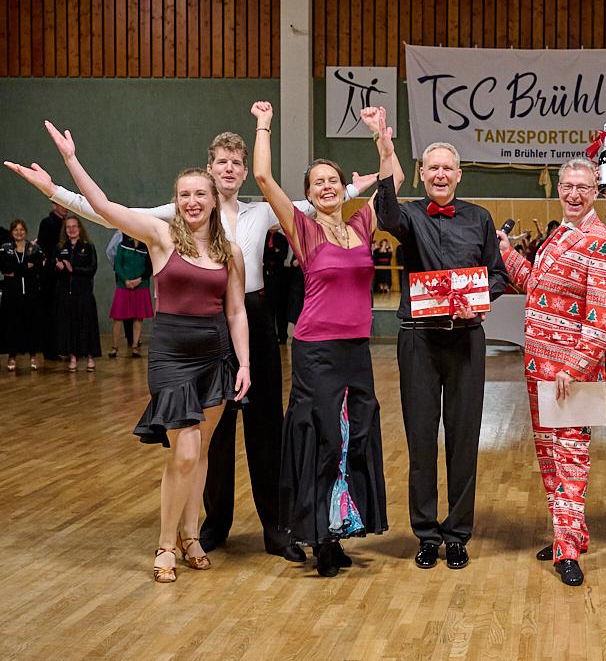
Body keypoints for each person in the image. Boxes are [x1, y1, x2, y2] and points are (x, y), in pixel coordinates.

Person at [10, 129, 376, 562]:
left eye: (236, 163)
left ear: (243, 172)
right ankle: (212, 523)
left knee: (266, 429)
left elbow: (317, 202)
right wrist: (57, 190)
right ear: (209, 167)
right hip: (205, 321)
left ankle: (277, 529)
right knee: (211, 436)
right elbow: (112, 213)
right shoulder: (183, 210)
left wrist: (353, 186)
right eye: (221, 162)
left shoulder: (262, 213)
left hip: (252, 317)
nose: (228, 169)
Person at [8, 121, 252, 583]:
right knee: (182, 453)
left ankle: (191, 534)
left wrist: (244, 363)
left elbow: (236, 312)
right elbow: (103, 207)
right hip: (173, 359)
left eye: (200, 194)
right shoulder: (161, 236)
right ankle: (165, 546)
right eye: (185, 195)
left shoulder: (230, 251)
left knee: (201, 453)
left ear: (213, 197)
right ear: (177, 200)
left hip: (216, 357)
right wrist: (68, 164)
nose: (194, 202)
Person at [250, 101, 392, 576]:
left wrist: (380, 135)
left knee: (355, 437)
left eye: (333, 180)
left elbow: (391, 179)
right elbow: (264, 180)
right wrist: (265, 125)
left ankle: (342, 524)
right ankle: (318, 536)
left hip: (356, 349)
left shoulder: (361, 224)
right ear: (309, 193)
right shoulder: (304, 230)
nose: (327, 187)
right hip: (316, 349)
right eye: (318, 183)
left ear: (342, 186)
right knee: (323, 438)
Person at [374, 139, 509, 571]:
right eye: (432, 167)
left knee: (465, 439)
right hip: (419, 340)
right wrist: (383, 147)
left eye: (447, 168)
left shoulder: (480, 218)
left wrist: (482, 299)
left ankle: (458, 533)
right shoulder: (408, 214)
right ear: (423, 172)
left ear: (458, 173)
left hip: (467, 338)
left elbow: (498, 274)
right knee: (420, 439)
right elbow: (385, 213)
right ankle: (426, 533)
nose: (440, 175)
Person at [496, 157, 606, 587]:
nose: (573, 194)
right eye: (567, 186)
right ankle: (567, 533)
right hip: (538, 366)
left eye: (582, 187)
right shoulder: (558, 235)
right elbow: (536, 285)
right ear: (558, 190)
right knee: (550, 460)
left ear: (595, 191)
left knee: (571, 460)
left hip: (572, 374)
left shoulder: (601, 239)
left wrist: (575, 364)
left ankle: (568, 550)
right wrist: (505, 252)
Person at [53, 215, 101, 372]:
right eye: (68, 227)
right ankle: (72, 357)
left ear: (80, 228)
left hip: (84, 293)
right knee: (70, 326)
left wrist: (73, 269)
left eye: (74, 226)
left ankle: (90, 357)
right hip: (67, 294)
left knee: (87, 325)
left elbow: (92, 269)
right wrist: (58, 268)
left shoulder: (88, 247)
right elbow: (54, 270)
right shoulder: (61, 247)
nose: (71, 229)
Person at [1, 219, 45, 371]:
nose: (19, 232)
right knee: (13, 325)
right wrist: (26, 266)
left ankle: (33, 355)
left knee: (31, 324)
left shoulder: (34, 248)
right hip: (12, 294)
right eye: (15, 230)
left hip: (31, 293)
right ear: (11, 232)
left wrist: (19, 269)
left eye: (21, 229)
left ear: (26, 231)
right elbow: (4, 267)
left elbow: (38, 267)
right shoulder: (5, 248)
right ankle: (12, 356)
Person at [109, 233, 154, 358]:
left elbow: (149, 267)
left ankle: (135, 347)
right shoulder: (123, 244)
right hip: (123, 285)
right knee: (118, 317)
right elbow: (118, 265)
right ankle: (114, 347)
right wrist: (125, 280)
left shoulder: (146, 246)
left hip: (141, 285)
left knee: (138, 317)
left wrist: (139, 280)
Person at [36, 201, 67, 360]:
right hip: (50, 274)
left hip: (63, 274)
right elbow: (45, 249)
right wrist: (55, 262)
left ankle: (62, 346)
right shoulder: (47, 223)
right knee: (50, 311)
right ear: (54, 205)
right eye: (62, 205)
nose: (65, 208)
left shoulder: (66, 224)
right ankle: (50, 349)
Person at [262, 229, 292, 344]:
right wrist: (273, 252)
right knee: (268, 309)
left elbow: (282, 255)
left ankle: (282, 336)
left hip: (280, 278)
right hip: (266, 278)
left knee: (281, 308)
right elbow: (263, 254)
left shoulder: (281, 237)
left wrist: (272, 252)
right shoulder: (263, 236)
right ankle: (270, 335)